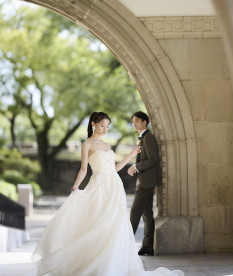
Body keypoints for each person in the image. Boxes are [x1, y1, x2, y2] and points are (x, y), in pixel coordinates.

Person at [33, 111, 183, 276]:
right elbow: (84, 169)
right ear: (93, 125)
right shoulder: (87, 145)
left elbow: (114, 169)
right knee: (99, 223)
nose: (105, 129)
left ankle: (113, 264)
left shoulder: (107, 145)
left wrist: (130, 155)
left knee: (116, 224)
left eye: (107, 126)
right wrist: (76, 185)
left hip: (115, 188)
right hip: (98, 186)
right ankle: (97, 262)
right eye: (102, 125)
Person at [127, 111, 162, 256]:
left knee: (134, 212)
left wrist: (135, 166)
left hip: (147, 183)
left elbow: (153, 159)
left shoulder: (149, 138)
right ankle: (147, 246)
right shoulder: (142, 138)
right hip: (144, 181)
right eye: (132, 121)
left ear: (144, 122)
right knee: (147, 214)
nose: (134, 123)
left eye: (136, 120)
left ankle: (126, 246)